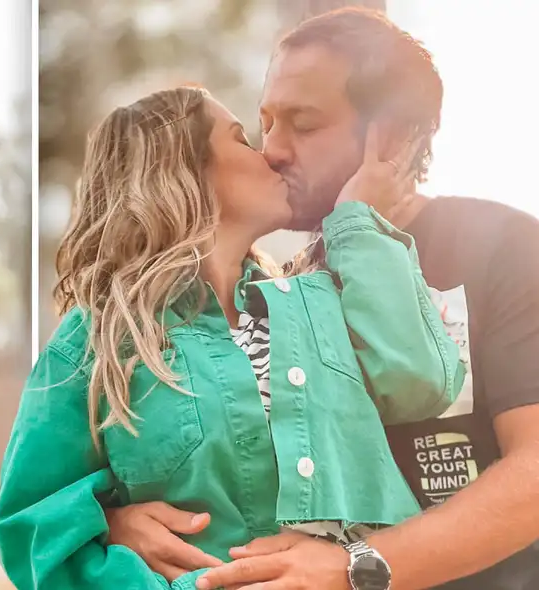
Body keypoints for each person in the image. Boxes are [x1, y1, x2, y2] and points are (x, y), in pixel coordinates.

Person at [105, 8, 539, 590]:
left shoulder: (505, 247)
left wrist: (359, 564)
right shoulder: (278, 291)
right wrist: (115, 523)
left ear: (398, 135)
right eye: (264, 123)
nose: (274, 150)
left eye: (304, 125)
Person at [0, 85, 465, 590]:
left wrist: (354, 218)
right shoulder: (97, 340)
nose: (270, 155)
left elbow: (424, 382)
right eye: (242, 139)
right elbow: (35, 531)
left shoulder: (323, 300)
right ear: (184, 170)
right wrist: (111, 533)